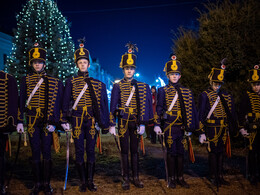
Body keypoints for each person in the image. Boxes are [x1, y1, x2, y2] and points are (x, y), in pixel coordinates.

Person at [61, 39, 109, 192]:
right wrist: (64, 120)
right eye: (80, 62)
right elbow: (65, 101)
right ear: (77, 64)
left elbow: (102, 105)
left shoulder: (97, 84)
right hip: (76, 121)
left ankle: (90, 181)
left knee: (91, 151)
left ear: (89, 64)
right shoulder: (70, 82)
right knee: (79, 151)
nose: (82, 64)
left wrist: (104, 122)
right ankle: (82, 181)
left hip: (91, 121)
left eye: (85, 62)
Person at [17, 43, 63, 195]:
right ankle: (37, 184)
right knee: (35, 151)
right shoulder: (26, 80)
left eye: (40, 62)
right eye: (35, 62)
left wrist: (55, 123)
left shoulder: (52, 80)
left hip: (46, 122)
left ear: (44, 63)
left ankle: (47, 183)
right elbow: (21, 100)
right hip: (31, 121)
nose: (37, 64)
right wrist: (19, 121)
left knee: (47, 153)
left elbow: (57, 103)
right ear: (32, 64)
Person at [109, 42, 153, 190]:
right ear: (123, 69)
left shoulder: (141, 86)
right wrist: (111, 124)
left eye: (131, 68)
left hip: (135, 122)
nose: (129, 71)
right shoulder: (117, 86)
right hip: (122, 122)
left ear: (134, 70)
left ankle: (136, 177)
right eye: (127, 68)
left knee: (135, 151)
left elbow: (144, 105)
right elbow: (113, 105)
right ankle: (126, 178)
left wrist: (142, 123)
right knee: (124, 151)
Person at [153, 55, 198, 189]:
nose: (174, 76)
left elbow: (191, 109)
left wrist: (191, 127)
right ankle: (171, 178)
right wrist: (156, 124)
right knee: (171, 152)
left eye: (176, 74)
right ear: (167, 75)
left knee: (180, 153)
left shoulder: (186, 91)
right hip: (169, 126)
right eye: (172, 74)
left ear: (180, 76)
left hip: (182, 127)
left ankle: (180, 177)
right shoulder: (162, 91)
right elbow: (159, 108)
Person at [198, 59, 237, 187]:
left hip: (223, 127)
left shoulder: (225, 95)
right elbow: (201, 114)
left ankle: (220, 176)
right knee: (213, 152)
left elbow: (230, 113)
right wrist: (201, 131)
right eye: (215, 83)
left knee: (221, 152)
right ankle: (213, 175)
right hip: (211, 127)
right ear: (211, 82)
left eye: (219, 84)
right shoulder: (205, 95)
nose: (217, 86)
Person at [238, 64, 260, 186]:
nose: (256, 87)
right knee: (252, 152)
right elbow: (241, 112)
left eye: (257, 84)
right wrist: (241, 127)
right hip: (251, 128)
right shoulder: (247, 95)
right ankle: (253, 175)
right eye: (253, 84)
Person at [0, 70, 18, 195]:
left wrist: (10, 123)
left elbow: (12, 102)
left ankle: (0, 184)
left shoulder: (7, 78)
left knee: (0, 157)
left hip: (0, 125)